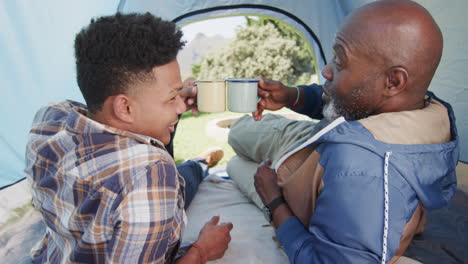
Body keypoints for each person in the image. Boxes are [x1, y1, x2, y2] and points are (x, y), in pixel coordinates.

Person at [227, 0, 459, 263]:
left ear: (393, 81)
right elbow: (350, 101)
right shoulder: (424, 108)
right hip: (320, 136)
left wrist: (274, 201)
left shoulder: (362, 171)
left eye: (339, 60)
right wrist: (292, 95)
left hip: (307, 168)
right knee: (238, 132)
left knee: (236, 163)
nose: (326, 70)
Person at [25, 13, 233, 263]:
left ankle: (199, 163)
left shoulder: (51, 116)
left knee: (184, 179)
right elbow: (145, 174)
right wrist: (202, 250)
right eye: (171, 99)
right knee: (181, 179)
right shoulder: (151, 172)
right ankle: (199, 164)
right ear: (125, 108)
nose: (180, 107)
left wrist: (170, 97)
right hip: (147, 193)